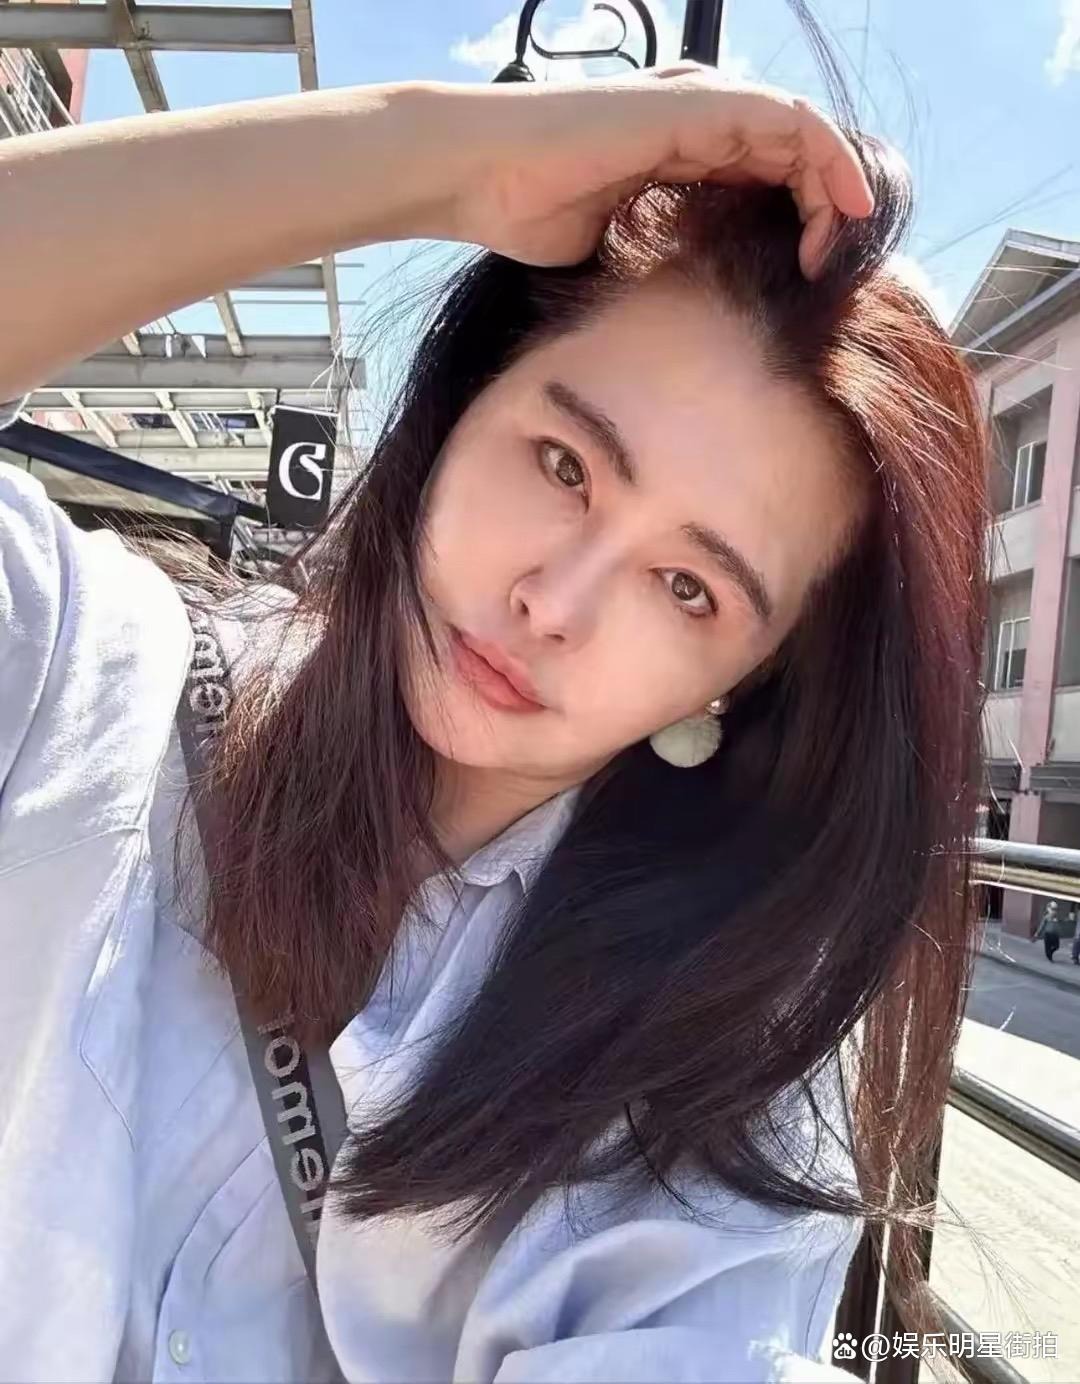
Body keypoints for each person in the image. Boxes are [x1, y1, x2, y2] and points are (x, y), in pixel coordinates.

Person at [0, 61, 987, 1384]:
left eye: (688, 589)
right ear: (467, 400)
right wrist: (446, 158)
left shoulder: (709, 1063)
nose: (553, 603)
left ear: (742, 682)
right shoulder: (82, 678)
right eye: (564, 464)